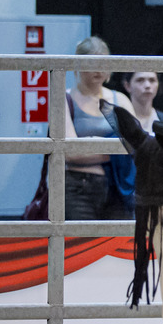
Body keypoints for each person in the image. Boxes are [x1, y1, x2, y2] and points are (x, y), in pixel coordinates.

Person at [62, 37, 134, 221]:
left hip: (118, 185)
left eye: (104, 63)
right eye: (92, 63)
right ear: (78, 64)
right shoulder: (64, 100)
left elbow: (136, 145)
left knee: (118, 238)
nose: (99, 69)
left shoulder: (121, 100)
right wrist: (116, 151)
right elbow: (70, 153)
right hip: (77, 186)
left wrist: (90, 147)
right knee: (81, 239)